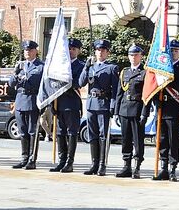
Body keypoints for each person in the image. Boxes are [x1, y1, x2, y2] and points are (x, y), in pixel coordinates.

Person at [152, 39, 179, 181]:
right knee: (162, 139)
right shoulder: (160, 68)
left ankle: (173, 167)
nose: (174, 52)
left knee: (173, 139)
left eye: (176, 50)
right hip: (162, 107)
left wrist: (167, 77)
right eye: (171, 50)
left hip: (174, 108)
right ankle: (163, 167)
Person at [80, 39, 118, 176]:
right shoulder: (90, 67)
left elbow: (115, 90)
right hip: (91, 103)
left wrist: (113, 105)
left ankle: (102, 164)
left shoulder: (112, 68)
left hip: (103, 103)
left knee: (103, 135)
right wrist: (86, 67)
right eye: (98, 50)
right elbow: (80, 82)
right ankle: (94, 163)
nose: (100, 52)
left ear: (107, 52)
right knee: (92, 135)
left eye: (103, 50)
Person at [113, 43, 149, 178]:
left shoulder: (145, 72)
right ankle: (126, 165)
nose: (133, 57)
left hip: (137, 110)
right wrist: (116, 112)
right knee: (125, 139)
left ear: (141, 56)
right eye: (131, 55)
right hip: (124, 109)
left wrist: (145, 113)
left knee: (138, 140)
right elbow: (119, 93)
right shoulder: (125, 72)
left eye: (136, 55)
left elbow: (146, 95)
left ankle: (137, 166)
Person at [50, 38, 85, 173]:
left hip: (72, 103)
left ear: (78, 51)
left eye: (73, 49)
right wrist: (52, 103)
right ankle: (61, 160)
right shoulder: (59, 65)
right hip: (59, 102)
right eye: (69, 48)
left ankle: (69, 162)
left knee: (71, 133)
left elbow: (78, 83)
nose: (70, 51)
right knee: (60, 133)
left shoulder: (80, 66)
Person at [8, 40, 44, 170]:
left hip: (32, 101)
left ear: (35, 51)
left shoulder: (41, 67)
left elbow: (38, 83)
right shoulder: (21, 66)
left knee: (32, 132)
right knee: (22, 132)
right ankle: (24, 158)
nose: (27, 52)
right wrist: (15, 72)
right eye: (25, 50)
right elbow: (11, 84)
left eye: (30, 50)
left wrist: (25, 77)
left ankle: (32, 159)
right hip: (20, 100)